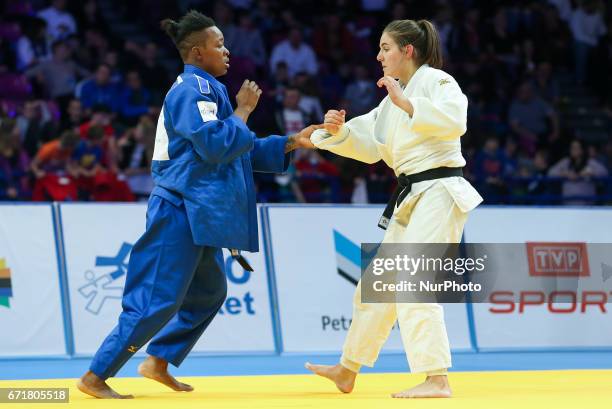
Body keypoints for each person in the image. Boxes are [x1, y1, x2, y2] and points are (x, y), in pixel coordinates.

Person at [77, 10, 320, 399]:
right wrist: (242, 111)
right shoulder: (191, 90)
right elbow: (215, 144)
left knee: (208, 293)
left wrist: (292, 141)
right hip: (179, 207)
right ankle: (96, 375)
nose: (227, 51)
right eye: (218, 45)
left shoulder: (210, 90)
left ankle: (157, 360)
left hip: (201, 210)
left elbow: (237, 150)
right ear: (195, 52)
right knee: (156, 299)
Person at [305, 19, 482, 398]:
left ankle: (437, 378)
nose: (379, 55)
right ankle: (347, 369)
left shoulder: (437, 82)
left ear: (408, 51)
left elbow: (456, 121)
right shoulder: (389, 104)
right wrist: (337, 131)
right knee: (378, 284)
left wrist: (409, 103)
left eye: (386, 47)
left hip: (439, 190)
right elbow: (367, 142)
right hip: (413, 195)